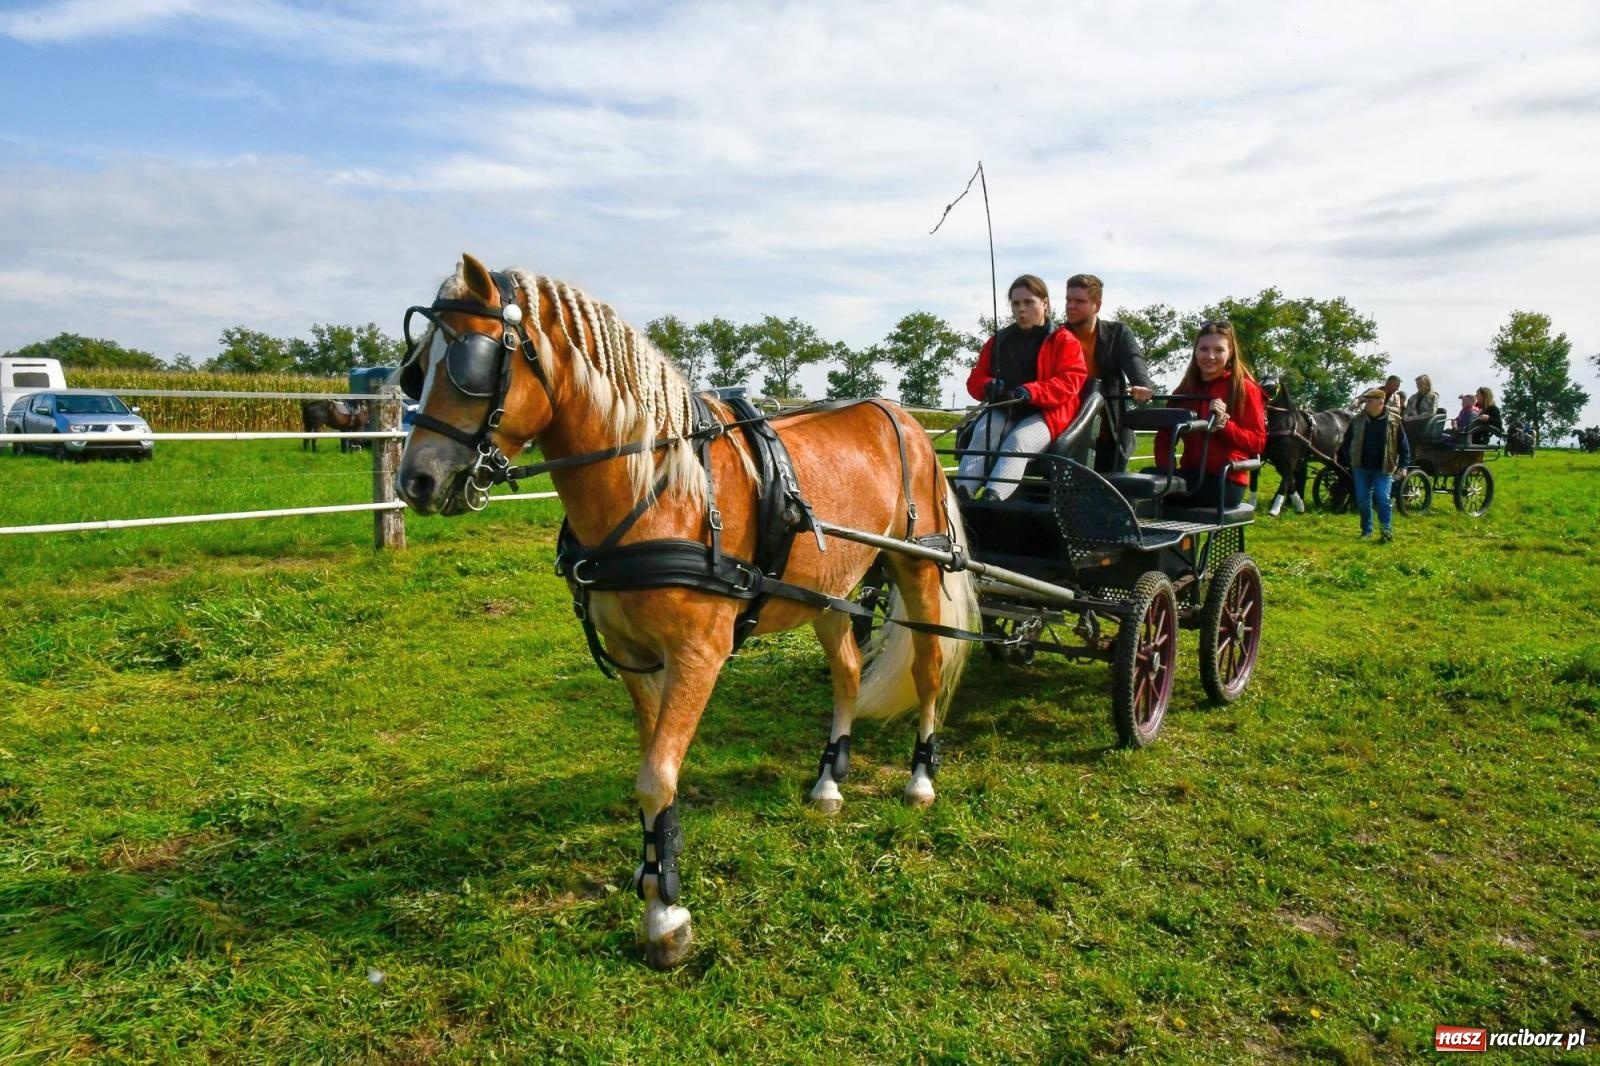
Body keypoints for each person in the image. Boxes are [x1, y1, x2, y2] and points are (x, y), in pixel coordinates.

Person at [959, 274, 1088, 500]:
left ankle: (993, 497)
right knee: (981, 436)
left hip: (1046, 413)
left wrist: (1032, 391)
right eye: (1016, 303)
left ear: (1044, 304)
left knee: (1018, 442)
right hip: (1005, 407)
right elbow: (975, 379)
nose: (1021, 309)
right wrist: (988, 385)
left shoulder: (1064, 341)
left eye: (1029, 302)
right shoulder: (998, 341)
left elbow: (1071, 381)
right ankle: (961, 497)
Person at [1152, 320, 1267, 508]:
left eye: (1219, 350)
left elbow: (1258, 442)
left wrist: (1224, 427)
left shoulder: (1244, 389)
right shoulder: (1184, 391)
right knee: (1143, 482)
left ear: (1230, 353)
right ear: (1195, 352)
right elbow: (1164, 438)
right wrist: (1167, 473)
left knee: (1149, 491)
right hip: (1190, 476)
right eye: (1204, 349)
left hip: (1225, 480)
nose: (1210, 356)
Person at [1061, 274, 1154, 472]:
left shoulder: (1117, 333)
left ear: (1097, 305)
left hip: (1110, 434)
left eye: (1079, 301)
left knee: (1110, 492)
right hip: (1068, 432)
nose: (1071, 306)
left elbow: (1133, 358)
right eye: (1068, 300)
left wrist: (1142, 384)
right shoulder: (1057, 337)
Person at [1338, 387, 1411, 543]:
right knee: (1363, 500)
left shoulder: (1394, 421)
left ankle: (1386, 529)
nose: (1366, 404)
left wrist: (1404, 465)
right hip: (1361, 467)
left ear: (1380, 402)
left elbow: (1403, 445)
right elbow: (1346, 442)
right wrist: (1348, 462)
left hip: (1383, 468)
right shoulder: (1357, 420)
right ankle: (1366, 531)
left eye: (1369, 401)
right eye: (1365, 401)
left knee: (1383, 498)